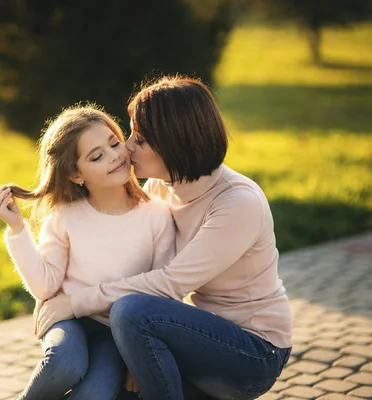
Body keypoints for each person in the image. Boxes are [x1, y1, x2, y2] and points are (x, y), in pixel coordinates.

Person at [34, 76, 293, 400]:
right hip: (191, 333)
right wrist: (132, 353)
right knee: (110, 388)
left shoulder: (237, 204)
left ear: (173, 144)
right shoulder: (160, 186)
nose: (127, 147)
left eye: (139, 139)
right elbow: (141, 272)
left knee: (130, 311)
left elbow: (169, 284)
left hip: (252, 353)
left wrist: (74, 303)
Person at [0, 105, 175, 400]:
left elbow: (163, 293)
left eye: (114, 143)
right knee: (64, 365)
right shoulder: (64, 216)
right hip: (69, 320)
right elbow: (46, 286)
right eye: (96, 156)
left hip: (117, 333)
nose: (114, 155)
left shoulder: (158, 215)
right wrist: (17, 230)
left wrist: (140, 359)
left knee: (93, 395)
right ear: (76, 174)